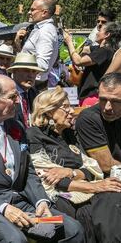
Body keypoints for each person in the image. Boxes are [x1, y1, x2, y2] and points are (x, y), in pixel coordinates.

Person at [0, 74, 85, 243]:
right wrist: (3, 208)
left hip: (22, 203)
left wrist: (41, 201)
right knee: (15, 240)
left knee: (73, 230)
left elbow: (28, 171)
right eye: (12, 97)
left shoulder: (15, 126)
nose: (18, 101)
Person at [27, 86, 121, 243]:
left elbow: (93, 168)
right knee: (95, 210)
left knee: (113, 199)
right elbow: (49, 178)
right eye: (65, 107)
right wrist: (94, 186)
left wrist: (70, 172)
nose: (71, 111)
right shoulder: (34, 135)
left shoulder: (70, 134)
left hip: (84, 189)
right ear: (49, 111)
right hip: (60, 196)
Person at [64, 22, 121, 106]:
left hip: (92, 96)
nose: (97, 33)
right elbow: (82, 50)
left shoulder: (105, 51)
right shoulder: (100, 49)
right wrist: (70, 41)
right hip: (90, 95)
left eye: (100, 30)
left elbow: (79, 61)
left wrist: (69, 42)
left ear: (107, 34)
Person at [76, 73, 121, 175]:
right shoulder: (89, 119)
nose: (107, 107)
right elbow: (107, 166)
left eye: (115, 101)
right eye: (103, 99)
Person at [16, 0, 59, 89]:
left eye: (32, 10)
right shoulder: (40, 29)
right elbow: (29, 56)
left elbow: (43, 64)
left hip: (33, 84)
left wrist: (18, 67)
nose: (29, 12)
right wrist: (17, 43)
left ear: (44, 12)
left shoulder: (45, 31)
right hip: (30, 83)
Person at [7, 53, 44, 128]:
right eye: (26, 71)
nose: (31, 75)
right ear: (15, 71)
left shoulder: (34, 93)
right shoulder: (6, 93)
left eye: (34, 71)